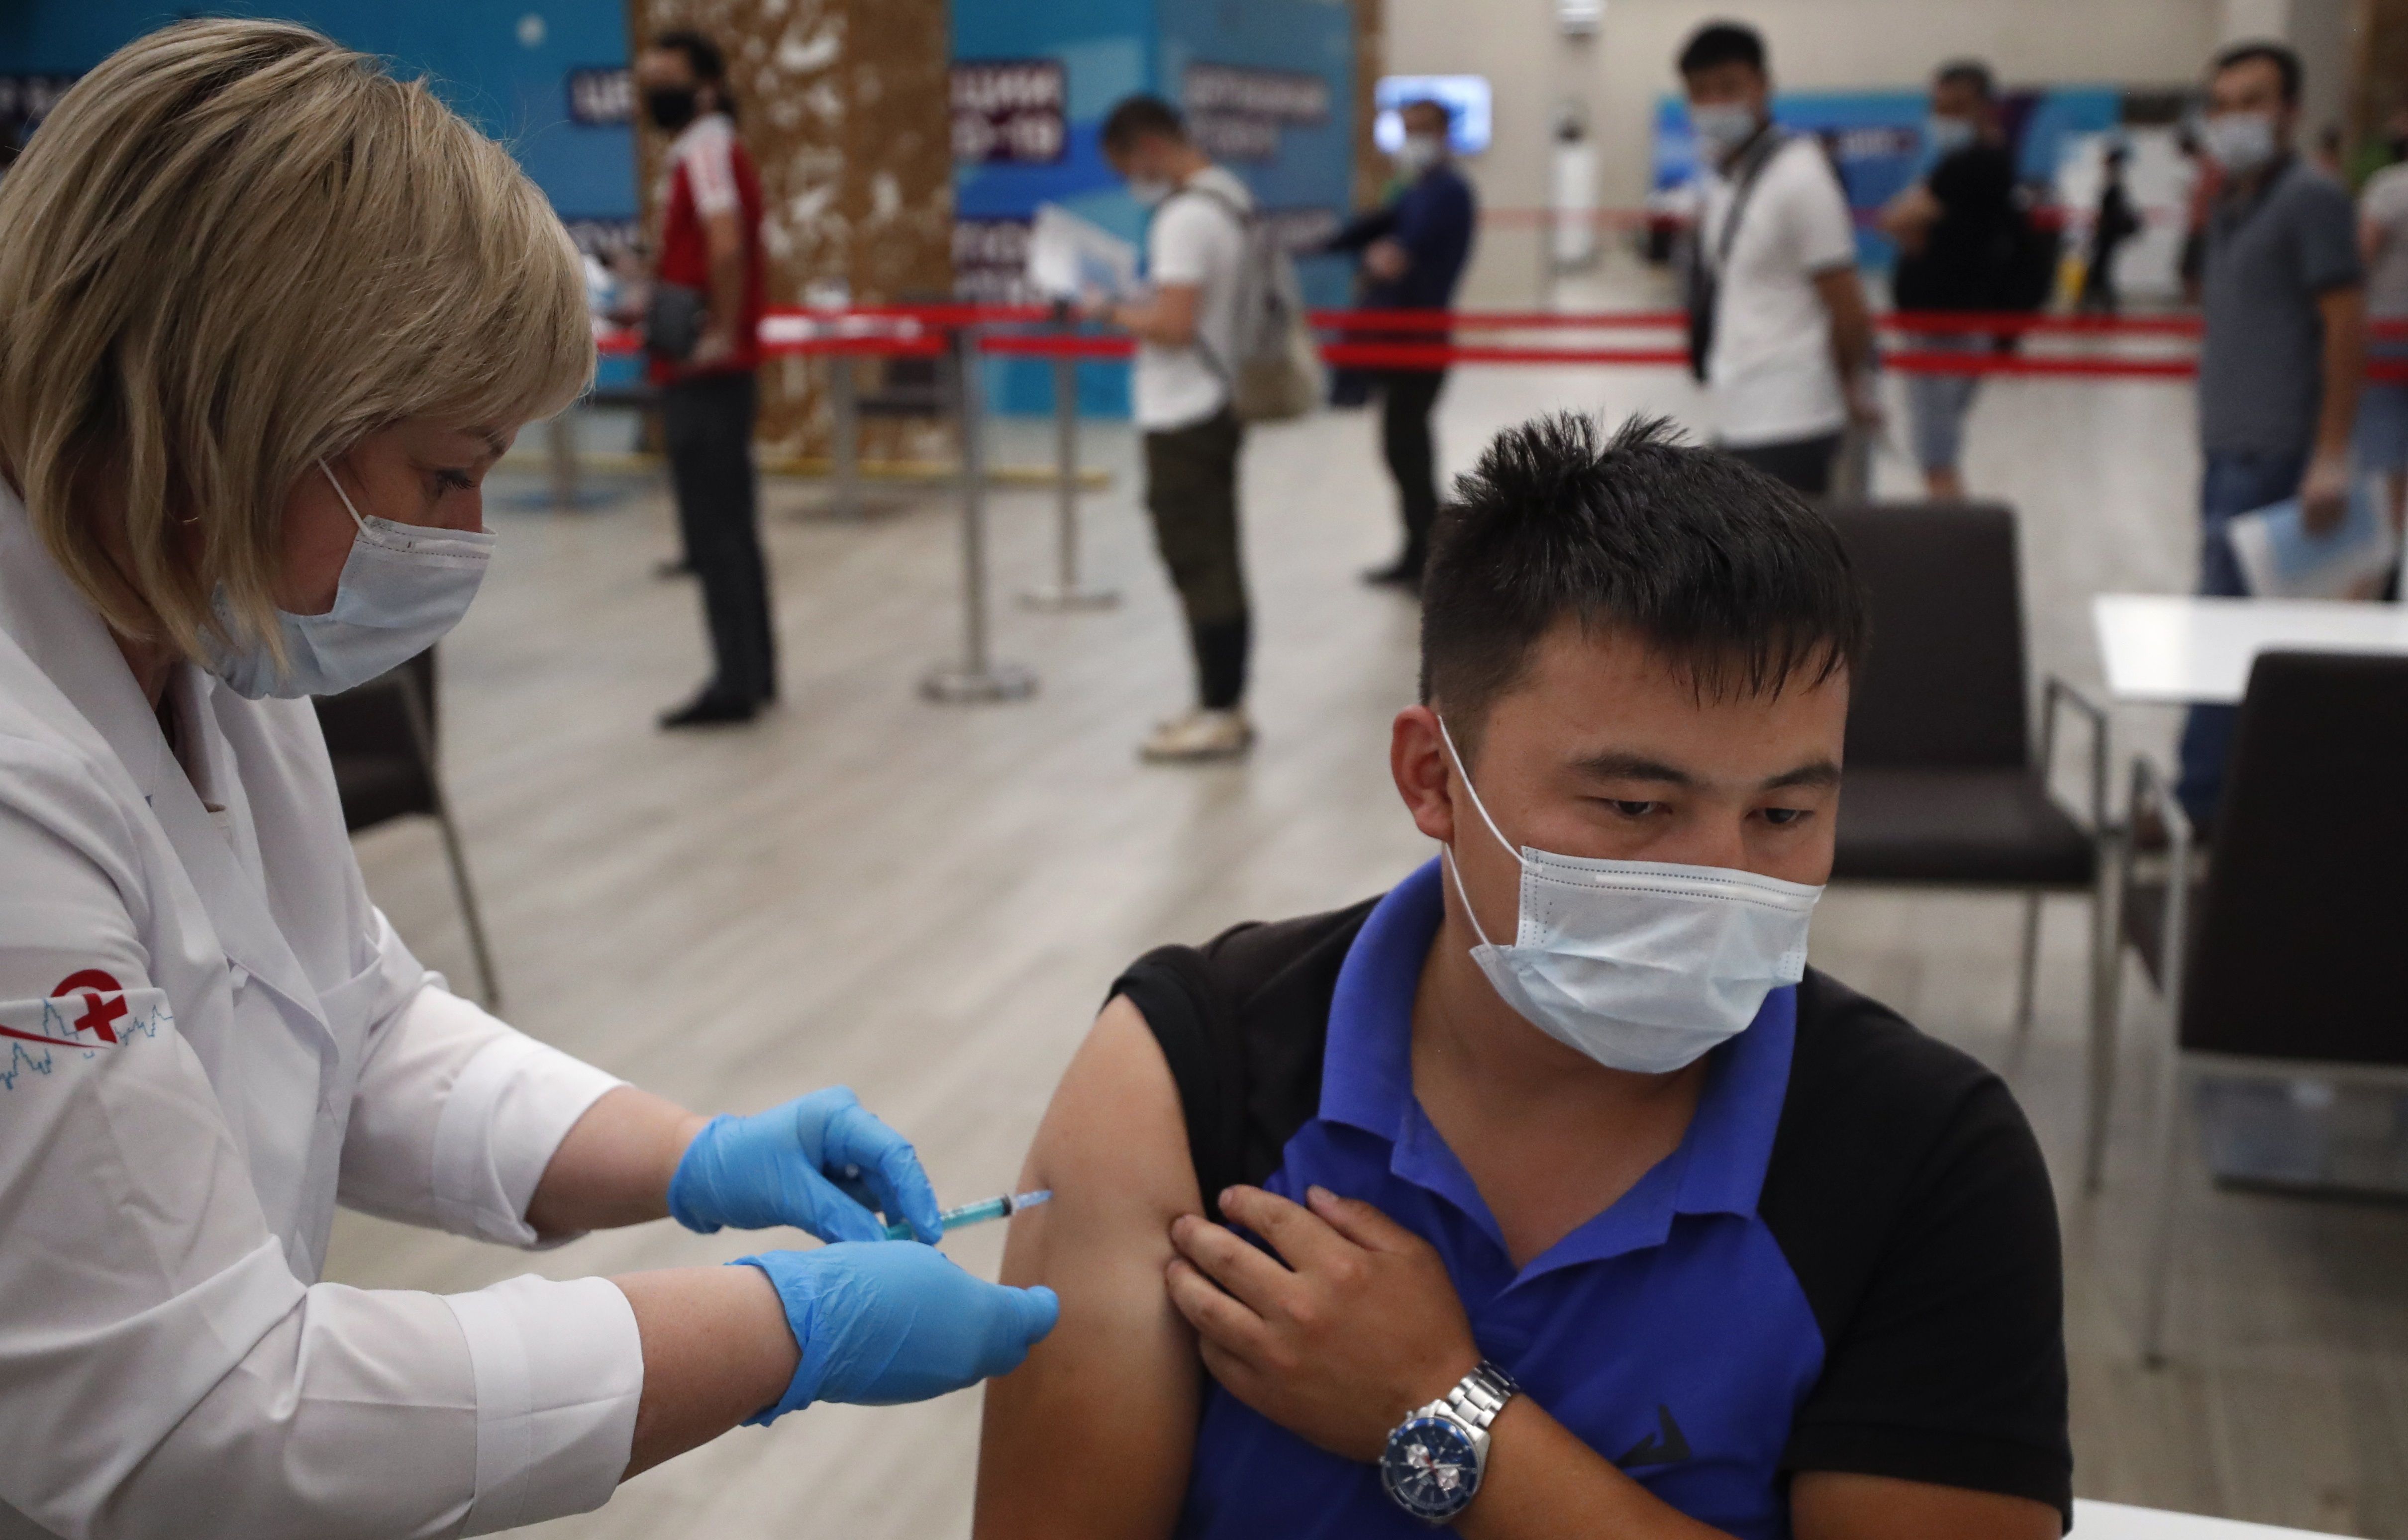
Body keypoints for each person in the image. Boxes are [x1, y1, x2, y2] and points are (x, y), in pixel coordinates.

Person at [0, 23, 1056, 1534]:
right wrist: (780, 1331)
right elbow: (203, 1420)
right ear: (234, 420)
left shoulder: (204, 633)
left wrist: (691, 1158)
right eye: (444, 475)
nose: (468, 539)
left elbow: (349, 1024)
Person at [975, 414, 2070, 1540]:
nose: (1721, 878)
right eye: (1636, 808)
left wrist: (1437, 1412)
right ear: (1432, 778)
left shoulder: (1924, 1158)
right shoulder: (1190, 1074)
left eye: (1784, 814)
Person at [2176, 40, 2367, 830]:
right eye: (2221, 103)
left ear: (2289, 112)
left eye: (2252, 101)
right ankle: (2224, 798)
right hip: (2229, 449)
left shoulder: (2312, 200)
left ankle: (2205, 804)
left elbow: (2345, 326)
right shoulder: (2229, 201)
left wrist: (2330, 453)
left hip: (2280, 458)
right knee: (2231, 629)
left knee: (2238, 635)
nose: (2233, 119)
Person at [1091, 95, 1258, 763]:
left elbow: (1175, 324)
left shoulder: (1185, 218)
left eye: (1127, 164)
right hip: (1218, 400)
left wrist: (1108, 310)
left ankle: (1220, 709)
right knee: (1213, 554)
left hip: (1183, 410)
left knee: (1201, 561)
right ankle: (1221, 700)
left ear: (1149, 148)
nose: (1131, 179)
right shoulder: (1229, 195)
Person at [638, 30, 778, 729]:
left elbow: (725, 243)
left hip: (706, 371)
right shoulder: (707, 149)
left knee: (717, 531)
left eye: (665, 78)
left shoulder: (707, 149)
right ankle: (757, 670)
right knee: (735, 527)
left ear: (707, 86)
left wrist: (717, 332)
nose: (652, 91)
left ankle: (736, 680)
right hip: (710, 364)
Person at [1677, 21, 1879, 499]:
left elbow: (1848, 310)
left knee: (1786, 569)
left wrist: (1847, 390)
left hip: (1795, 420)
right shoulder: (1728, 176)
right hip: (1738, 410)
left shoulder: (1801, 177)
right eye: (1700, 92)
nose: (1715, 103)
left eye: (1728, 86)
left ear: (1762, 85)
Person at [1327, 99, 1478, 589]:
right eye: (1406, 129)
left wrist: (1375, 260)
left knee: (1408, 449)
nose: (1413, 138)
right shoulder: (1417, 190)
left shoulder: (1449, 192)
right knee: (1402, 449)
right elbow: (1380, 229)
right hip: (1399, 338)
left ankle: (1433, 559)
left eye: (1423, 129)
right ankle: (1419, 554)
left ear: (1444, 134)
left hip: (1420, 340)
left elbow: (1397, 256)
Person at [1880, 60, 2020, 500]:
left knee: (1936, 453)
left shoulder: (1973, 164)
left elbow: (1898, 217)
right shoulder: (1962, 165)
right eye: (1939, 107)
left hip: (1946, 329)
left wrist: (1915, 225)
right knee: (1939, 446)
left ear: (1983, 109)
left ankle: (1951, 544)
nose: (1945, 118)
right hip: (1947, 323)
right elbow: (1901, 220)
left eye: (1958, 107)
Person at [2355, 111, 2408, 539]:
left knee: (2385, 457)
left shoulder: (2391, 188)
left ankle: (2385, 559)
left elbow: (2362, 258)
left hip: (2389, 336)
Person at [2081, 144, 2141, 315]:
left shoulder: (2113, 183)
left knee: (2100, 267)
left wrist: (2098, 226)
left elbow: (2107, 211)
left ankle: (2101, 303)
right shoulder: (2115, 181)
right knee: (2102, 267)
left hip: (2108, 234)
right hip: (2108, 234)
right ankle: (2103, 303)